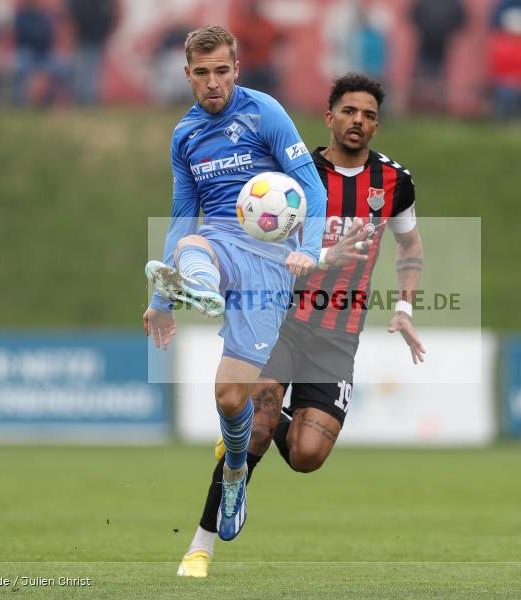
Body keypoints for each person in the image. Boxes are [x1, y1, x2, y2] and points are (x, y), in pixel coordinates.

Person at [176, 73, 425, 578]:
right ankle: (199, 548)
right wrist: (318, 255)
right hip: (282, 317)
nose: (359, 121)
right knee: (262, 431)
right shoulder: (293, 179)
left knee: (308, 454)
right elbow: (259, 240)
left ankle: (240, 425)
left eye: (370, 115)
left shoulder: (395, 183)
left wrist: (405, 307)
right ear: (329, 117)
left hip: (338, 333)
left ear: (377, 125)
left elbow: (410, 248)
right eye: (350, 111)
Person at [143, 26, 326, 545]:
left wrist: (307, 250)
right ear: (188, 75)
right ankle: (196, 286)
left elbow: (310, 186)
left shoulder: (264, 112)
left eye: (221, 71)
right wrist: (160, 301)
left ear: (236, 69)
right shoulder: (185, 135)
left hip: (269, 261)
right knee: (191, 244)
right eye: (202, 73)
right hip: (219, 239)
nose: (212, 83)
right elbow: (183, 216)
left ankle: (235, 474)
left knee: (228, 397)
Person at [409, 0, 468, 112]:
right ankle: (420, 105)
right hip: (426, 43)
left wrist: (448, 32)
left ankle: (438, 105)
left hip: (442, 45)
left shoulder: (453, 3)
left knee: (439, 76)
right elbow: (414, 15)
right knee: (423, 74)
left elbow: (461, 19)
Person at [11, 0, 66, 106]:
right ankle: (19, 102)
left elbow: (49, 35)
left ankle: (49, 101)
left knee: (60, 70)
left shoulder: (44, 17)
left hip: (43, 52)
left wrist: (37, 35)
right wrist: (37, 34)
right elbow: (23, 35)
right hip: (27, 51)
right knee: (19, 69)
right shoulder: (21, 16)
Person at [67, 0, 116, 106]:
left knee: (92, 70)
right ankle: (82, 98)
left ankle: (87, 99)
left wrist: (101, 32)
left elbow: (110, 17)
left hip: (96, 38)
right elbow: (76, 13)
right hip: (85, 37)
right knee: (83, 69)